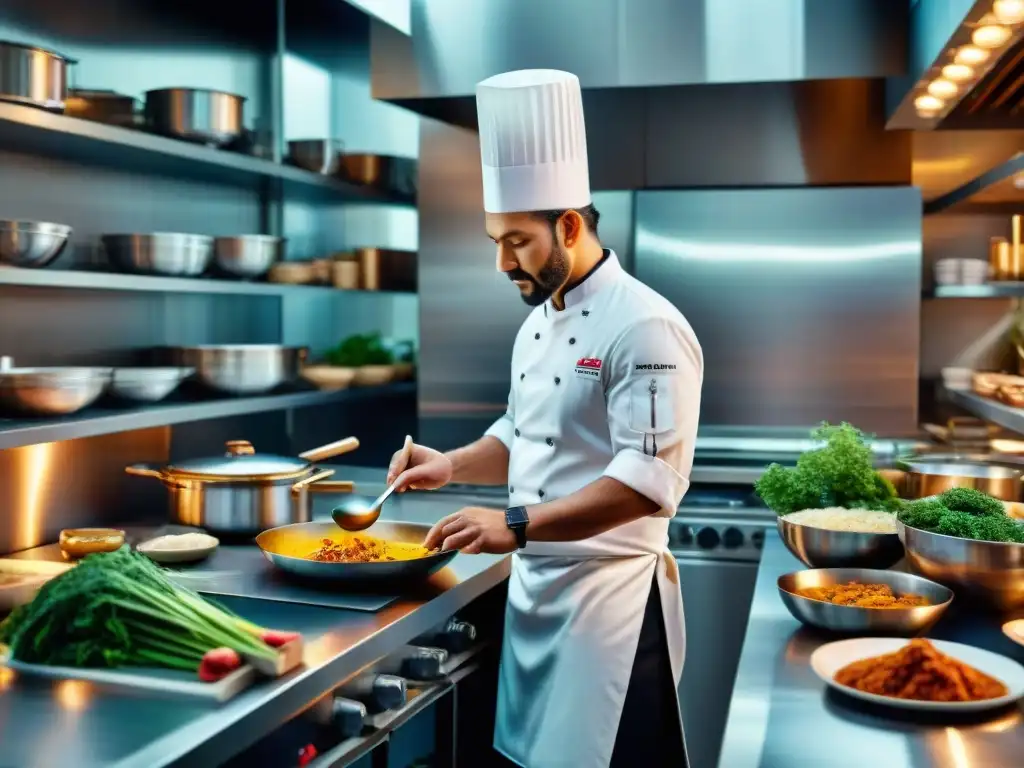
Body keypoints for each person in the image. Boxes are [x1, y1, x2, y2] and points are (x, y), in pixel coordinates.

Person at [387, 69, 703, 768]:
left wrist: (516, 524)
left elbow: (646, 484)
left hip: (609, 610)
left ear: (568, 225)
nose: (503, 261)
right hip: (535, 597)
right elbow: (520, 431)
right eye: (496, 239)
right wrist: (450, 465)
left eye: (518, 241)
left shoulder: (645, 327)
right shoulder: (537, 323)